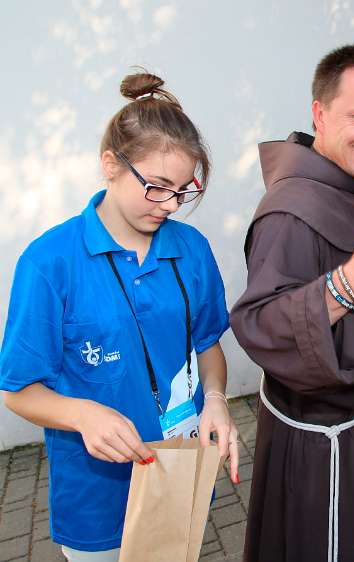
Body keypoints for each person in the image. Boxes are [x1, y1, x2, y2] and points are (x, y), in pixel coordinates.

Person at [0, 71, 239, 562]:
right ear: (110, 164)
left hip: (182, 475)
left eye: (183, 190)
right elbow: (17, 389)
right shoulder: (49, 263)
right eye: (156, 186)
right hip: (98, 503)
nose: (171, 204)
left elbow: (208, 344)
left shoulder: (191, 248)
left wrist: (215, 398)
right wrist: (82, 414)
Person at [230, 45, 354, 562]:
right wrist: (349, 288)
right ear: (319, 114)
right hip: (317, 449)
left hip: (342, 427)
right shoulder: (290, 212)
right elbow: (257, 323)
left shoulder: (342, 185)